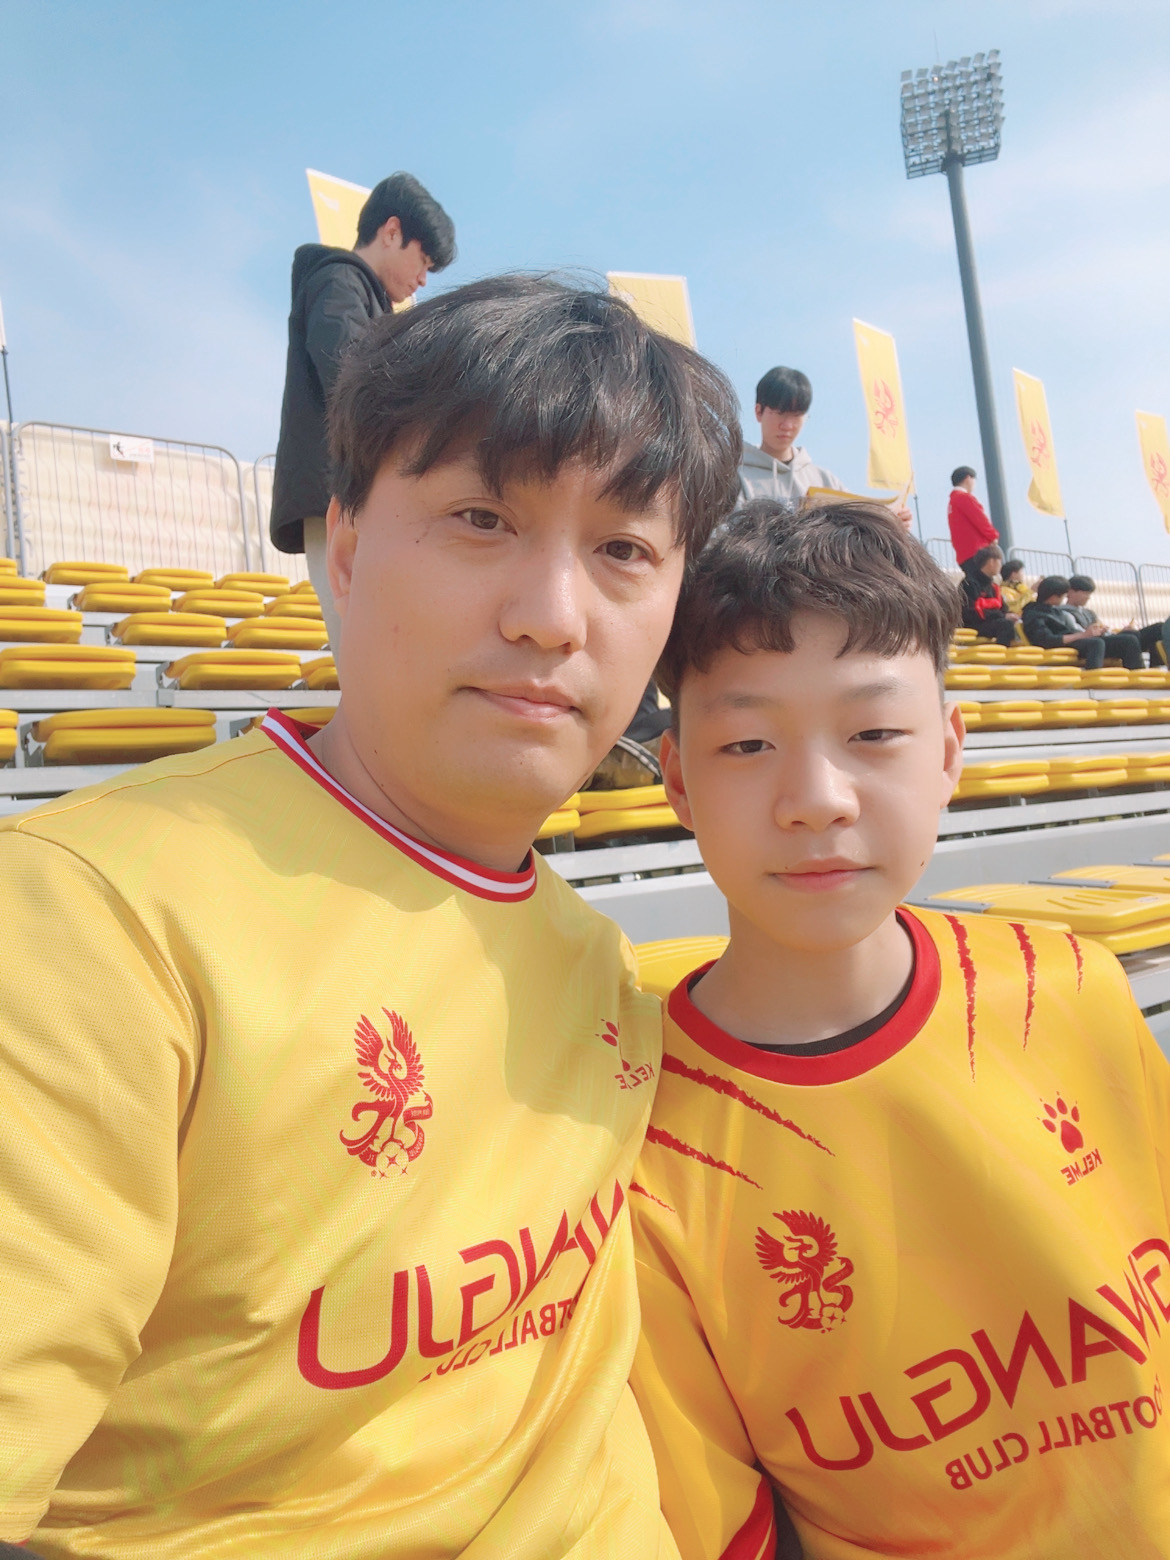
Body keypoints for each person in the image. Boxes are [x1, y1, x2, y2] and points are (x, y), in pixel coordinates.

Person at [0, 276, 743, 1559]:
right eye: (479, 519)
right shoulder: (91, 921)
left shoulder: (600, 965)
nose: (551, 618)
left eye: (624, 551)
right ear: (342, 548)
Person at [629, 500, 1170, 1559]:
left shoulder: (1072, 987)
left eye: (874, 733)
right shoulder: (646, 1153)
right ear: (679, 778)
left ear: (951, 751)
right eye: (747, 742)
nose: (816, 799)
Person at [270, 171, 456, 646]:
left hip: (352, 497)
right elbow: (348, 374)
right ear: (392, 232)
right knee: (360, 638)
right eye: (424, 261)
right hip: (336, 496)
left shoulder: (363, 296)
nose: (422, 279)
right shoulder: (338, 282)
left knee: (374, 636)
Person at [1022, 575, 1143, 670]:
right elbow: (1047, 639)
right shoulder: (1034, 614)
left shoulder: (1054, 611)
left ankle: (1138, 676)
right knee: (1096, 643)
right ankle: (1094, 678)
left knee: (1129, 640)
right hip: (1057, 644)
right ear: (1054, 597)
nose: (1064, 599)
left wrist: (1091, 633)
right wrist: (1084, 635)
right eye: (1063, 596)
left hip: (1071, 641)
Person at [1065, 574, 1170, 669]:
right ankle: (1138, 672)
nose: (1088, 597)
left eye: (1089, 594)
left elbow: (1104, 629)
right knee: (1129, 639)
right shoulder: (1064, 613)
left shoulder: (1089, 613)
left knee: (1158, 629)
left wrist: (1120, 631)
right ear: (1070, 592)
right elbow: (1075, 633)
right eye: (1085, 593)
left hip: (1104, 640)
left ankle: (1156, 666)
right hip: (1090, 644)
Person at [959, 543, 1017, 647]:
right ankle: (1000, 653)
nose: (1001, 565)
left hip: (991, 623)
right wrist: (1003, 616)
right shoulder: (969, 584)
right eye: (1000, 561)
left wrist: (1012, 615)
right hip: (973, 624)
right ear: (991, 562)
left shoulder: (994, 587)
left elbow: (1003, 609)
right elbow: (971, 612)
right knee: (1006, 625)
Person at [947, 465, 998, 565]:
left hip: (963, 555)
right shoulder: (964, 498)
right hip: (978, 552)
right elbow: (981, 520)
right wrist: (993, 536)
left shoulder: (952, 502)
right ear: (968, 478)